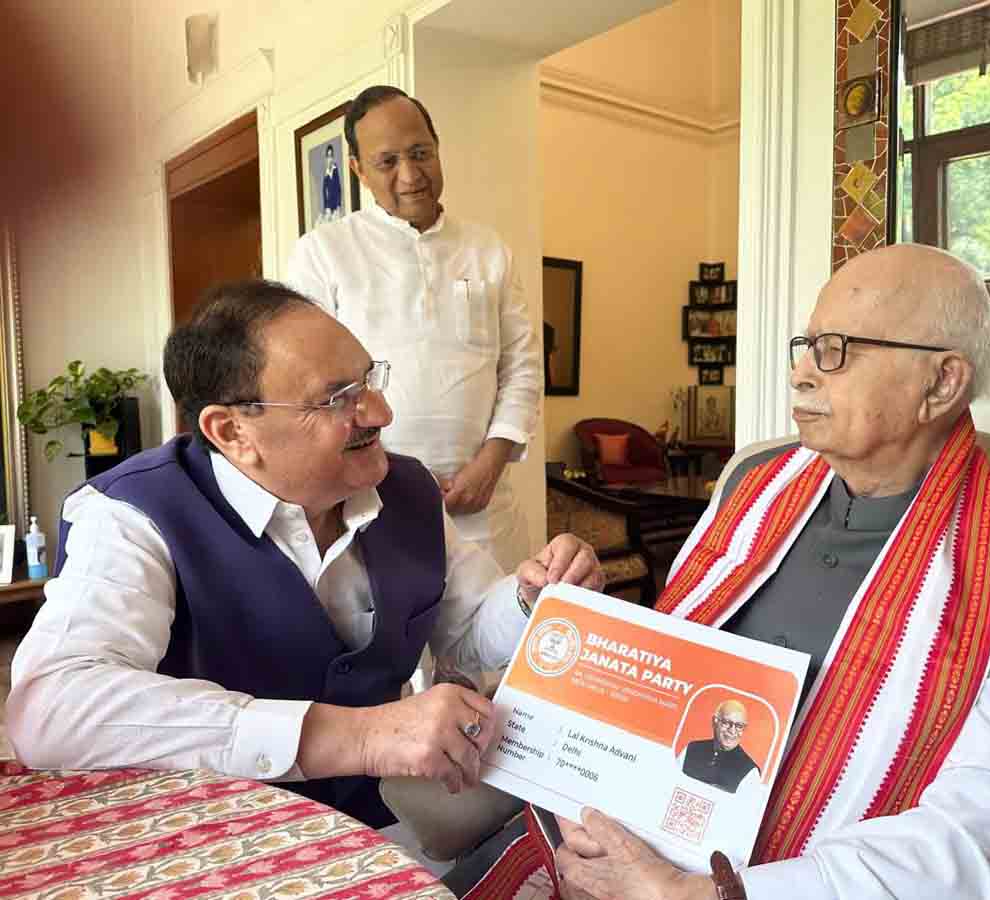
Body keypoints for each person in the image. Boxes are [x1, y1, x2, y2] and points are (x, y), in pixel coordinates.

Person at [446, 244, 990, 900]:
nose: (803, 373)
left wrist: (685, 892)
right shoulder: (757, 484)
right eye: (806, 345)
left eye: (837, 349)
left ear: (942, 384)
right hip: (605, 826)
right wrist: (593, 617)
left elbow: (984, 825)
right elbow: (678, 659)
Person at [6, 280, 602, 832]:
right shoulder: (131, 511)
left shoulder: (410, 491)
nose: (379, 413)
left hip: (380, 833)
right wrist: (362, 737)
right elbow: (51, 708)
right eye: (339, 398)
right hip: (205, 840)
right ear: (232, 431)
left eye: (369, 380)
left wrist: (532, 600)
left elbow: (468, 630)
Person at [287, 85, 540, 576]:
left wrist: (491, 462)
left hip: (482, 504)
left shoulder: (488, 250)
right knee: (396, 649)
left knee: (498, 640)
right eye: (387, 162)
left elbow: (522, 366)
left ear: (438, 147)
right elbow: (310, 384)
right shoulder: (323, 253)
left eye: (421, 153)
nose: (410, 175)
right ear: (358, 170)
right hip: (369, 504)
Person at [676, 699, 761, 796]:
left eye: (739, 726)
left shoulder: (751, 772)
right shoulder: (691, 749)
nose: (732, 731)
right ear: (714, 721)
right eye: (726, 722)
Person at [321, 144, 342, 223]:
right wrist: (326, 207)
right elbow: (324, 191)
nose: (330, 159)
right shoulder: (326, 172)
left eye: (331, 156)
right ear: (326, 158)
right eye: (328, 156)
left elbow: (338, 188)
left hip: (335, 205)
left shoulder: (335, 169)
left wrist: (339, 205)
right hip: (328, 206)